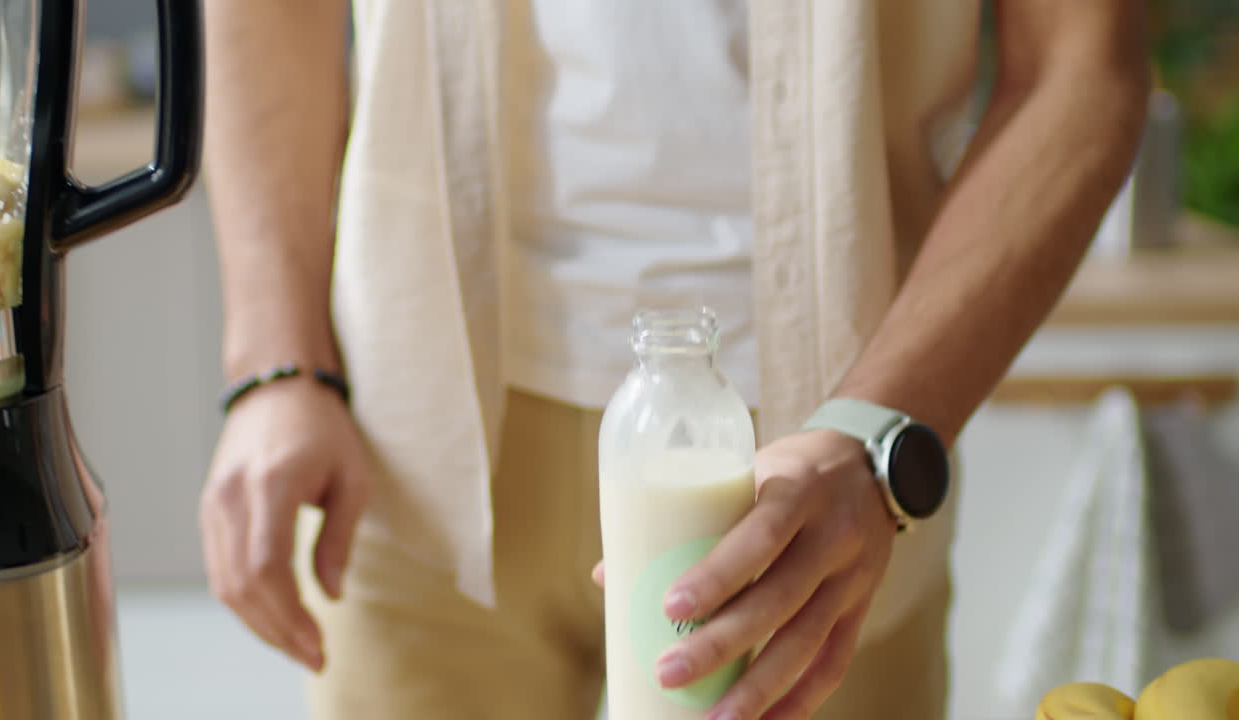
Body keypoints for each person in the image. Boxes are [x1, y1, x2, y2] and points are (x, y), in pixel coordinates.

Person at [198, 1, 1149, 718]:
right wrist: (277, 362)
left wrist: (875, 434)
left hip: (824, 480)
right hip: (416, 444)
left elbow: (1079, 62)